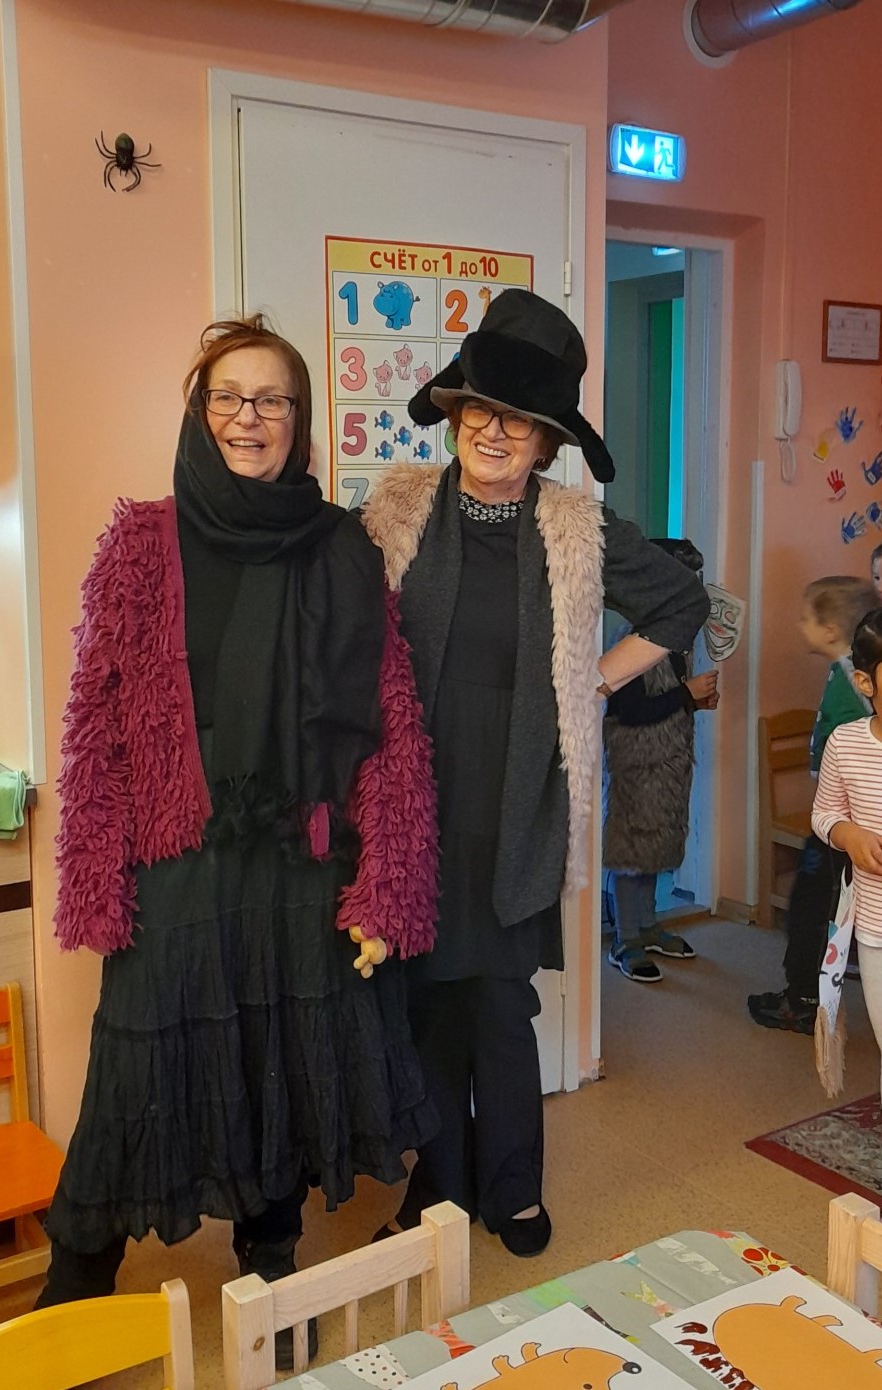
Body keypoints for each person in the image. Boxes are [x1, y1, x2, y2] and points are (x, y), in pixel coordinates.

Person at [36, 316, 440, 1365]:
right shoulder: (140, 543)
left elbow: (390, 722)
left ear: (299, 419)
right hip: (178, 855)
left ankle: (271, 1257)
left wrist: (385, 883)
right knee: (134, 1073)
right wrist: (96, 875)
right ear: (199, 410)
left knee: (282, 1060)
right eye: (227, 396)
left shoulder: (343, 547)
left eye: (270, 399)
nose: (247, 417)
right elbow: (96, 719)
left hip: (299, 855)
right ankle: (73, 1284)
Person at [361, 290, 708, 1256]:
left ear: (549, 440)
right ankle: (438, 1189)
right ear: (455, 413)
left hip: (517, 802)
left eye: (519, 419)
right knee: (429, 1002)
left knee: (501, 1005)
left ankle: (512, 1185)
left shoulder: (575, 530)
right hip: (416, 803)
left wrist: (596, 678)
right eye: (480, 409)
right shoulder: (396, 513)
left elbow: (682, 604)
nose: (494, 431)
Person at [748, 575, 874, 1033]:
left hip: (845, 824)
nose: (799, 625)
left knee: (811, 906)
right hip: (841, 818)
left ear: (829, 629)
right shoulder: (850, 672)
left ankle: (803, 999)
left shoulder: (853, 681)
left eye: (806, 618)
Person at [603, 538, 720, 984]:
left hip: (668, 760)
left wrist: (691, 701)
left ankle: (648, 924)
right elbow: (629, 709)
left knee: (656, 843)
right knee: (631, 848)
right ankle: (625, 938)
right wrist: (684, 693)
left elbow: (664, 699)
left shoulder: (675, 643)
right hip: (637, 761)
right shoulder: (631, 640)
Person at [812, 608, 882, 1093]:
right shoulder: (846, 744)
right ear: (865, 682)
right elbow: (823, 813)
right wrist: (848, 834)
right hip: (876, 927)